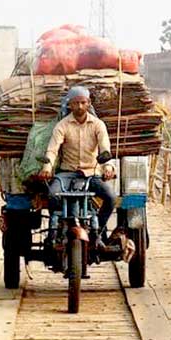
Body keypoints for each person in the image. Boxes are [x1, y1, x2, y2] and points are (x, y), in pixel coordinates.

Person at [39, 86, 117, 245]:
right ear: (70, 105)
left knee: (111, 197)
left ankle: (99, 232)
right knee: (52, 194)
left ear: (88, 103)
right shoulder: (62, 125)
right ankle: (56, 229)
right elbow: (52, 149)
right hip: (67, 174)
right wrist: (47, 168)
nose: (80, 106)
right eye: (76, 103)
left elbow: (105, 149)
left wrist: (108, 167)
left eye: (83, 102)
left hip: (91, 173)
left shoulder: (98, 125)